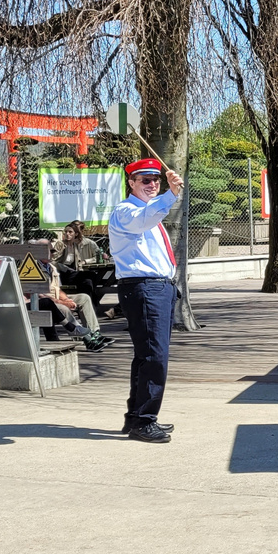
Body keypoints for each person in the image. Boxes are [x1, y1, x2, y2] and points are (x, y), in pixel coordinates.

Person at [108, 157, 183, 443]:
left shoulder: (147, 210)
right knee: (155, 357)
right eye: (144, 180)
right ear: (131, 183)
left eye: (156, 180)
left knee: (146, 356)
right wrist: (171, 194)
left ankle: (137, 417)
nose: (152, 185)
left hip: (156, 288)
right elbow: (145, 219)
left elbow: (151, 215)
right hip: (144, 288)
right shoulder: (127, 211)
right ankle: (144, 421)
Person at [43, 260, 113, 352]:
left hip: (56, 297)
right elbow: (39, 294)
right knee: (63, 308)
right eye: (50, 251)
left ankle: (94, 333)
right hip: (45, 301)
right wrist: (63, 303)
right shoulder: (33, 267)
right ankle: (87, 339)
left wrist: (66, 299)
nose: (52, 254)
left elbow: (58, 289)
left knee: (84, 298)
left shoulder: (52, 267)